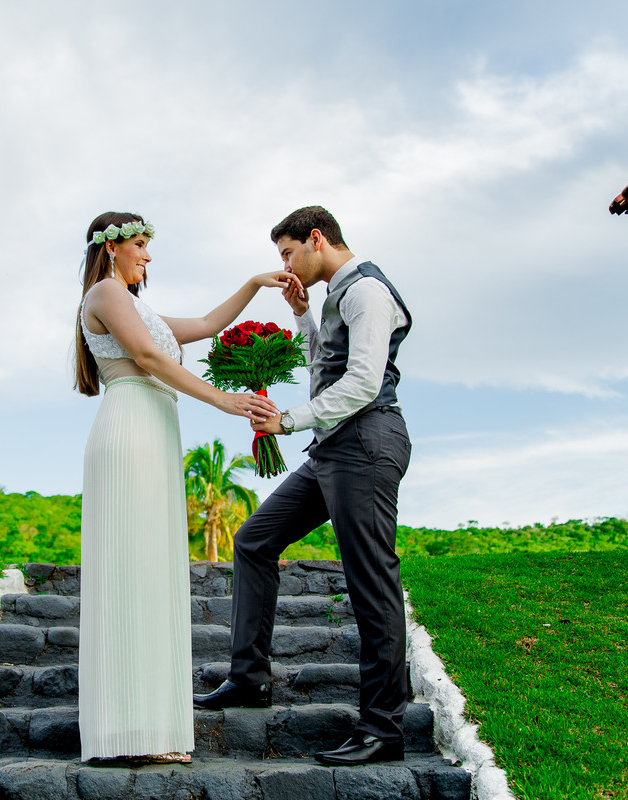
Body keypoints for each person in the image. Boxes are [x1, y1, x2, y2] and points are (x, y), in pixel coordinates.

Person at [193, 206, 414, 768]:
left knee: (370, 581)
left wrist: (286, 420)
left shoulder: (366, 291)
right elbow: (330, 364)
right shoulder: (337, 295)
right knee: (254, 539)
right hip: (334, 448)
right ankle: (249, 679)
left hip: (366, 441)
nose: (286, 265)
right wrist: (304, 318)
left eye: (289, 253)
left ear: (317, 239)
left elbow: (363, 381)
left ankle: (384, 729)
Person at [74, 210, 298, 764]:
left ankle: (148, 725)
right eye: (141, 245)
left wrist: (251, 285)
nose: (148, 256)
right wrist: (224, 400)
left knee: (151, 567)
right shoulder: (104, 293)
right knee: (131, 567)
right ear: (113, 249)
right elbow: (149, 357)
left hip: (153, 428)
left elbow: (203, 323)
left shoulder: (135, 305)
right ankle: (123, 728)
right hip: (130, 427)